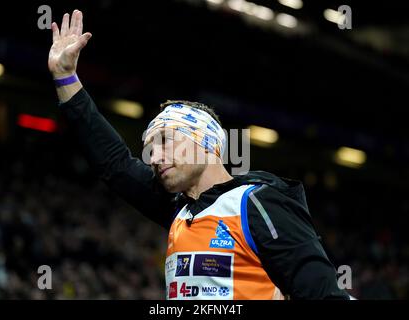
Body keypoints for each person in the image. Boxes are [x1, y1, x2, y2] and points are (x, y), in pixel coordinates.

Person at [48, 9, 350, 300]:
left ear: (206, 143)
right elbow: (114, 163)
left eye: (166, 141)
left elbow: (322, 293)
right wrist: (66, 78)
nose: (154, 157)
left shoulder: (257, 203)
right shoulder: (180, 209)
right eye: (151, 147)